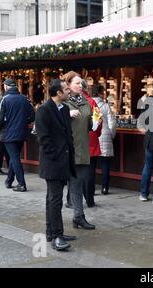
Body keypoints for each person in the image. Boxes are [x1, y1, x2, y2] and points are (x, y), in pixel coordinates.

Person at [35, 79, 77, 251]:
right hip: (53, 162)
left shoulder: (65, 108)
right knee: (55, 200)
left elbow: (67, 134)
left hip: (64, 161)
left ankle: (51, 232)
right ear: (58, 93)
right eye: (66, 89)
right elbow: (43, 138)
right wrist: (55, 156)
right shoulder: (44, 110)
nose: (69, 91)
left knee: (52, 199)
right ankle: (57, 236)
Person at [63, 71, 96, 230]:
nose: (80, 85)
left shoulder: (85, 102)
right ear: (68, 85)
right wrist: (66, 114)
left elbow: (88, 124)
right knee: (74, 183)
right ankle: (78, 216)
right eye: (76, 83)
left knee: (78, 183)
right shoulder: (62, 102)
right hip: (67, 149)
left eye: (81, 83)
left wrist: (95, 122)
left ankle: (78, 216)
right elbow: (51, 121)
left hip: (82, 147)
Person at [0, 79, 35, 191]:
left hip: (8, 133)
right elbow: (32, 116)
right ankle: (9, 181)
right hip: (22, 133)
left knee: (15, 158)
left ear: (6, 87)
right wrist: (23, 123)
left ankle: (22, 184)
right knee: (14, 157)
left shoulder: (4, 99)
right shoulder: (25, 99)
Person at [81, 80, 102, 208]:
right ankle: (89, 199)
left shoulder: (70, 102)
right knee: (90, 172)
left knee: (78, 171)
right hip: (91, 140)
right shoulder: (92, 102)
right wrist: (96, 134)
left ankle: (75, 199)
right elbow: (98, 122)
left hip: (77, 141)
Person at [92, 84, 116, 195]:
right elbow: (111, 123)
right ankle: (105, 188)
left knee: (92, 164)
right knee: (105, 164)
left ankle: (91, 188)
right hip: (105, 135)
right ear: (101, 93)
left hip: (93, 136)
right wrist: (112, 134)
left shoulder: (89, 104)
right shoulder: (106, 106)